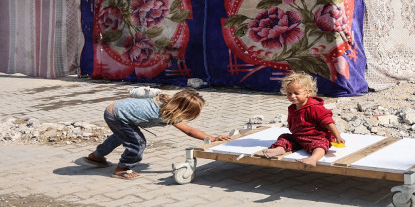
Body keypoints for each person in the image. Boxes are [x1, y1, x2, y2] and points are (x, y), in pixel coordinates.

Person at [84, 88, 230, 180]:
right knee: (138, 143)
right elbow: (189, 131)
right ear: (185, 110)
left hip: (115, 110)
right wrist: (212, 138)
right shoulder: (166, 114)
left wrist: (212, 138)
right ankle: (121, 169)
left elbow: (189, 130)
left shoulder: (166, 105)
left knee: (120, 136)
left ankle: (96, 157)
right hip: (117, 116)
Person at [254, 72, 345, 166]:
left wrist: (337, 137)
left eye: (296, 93)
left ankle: (313, 158)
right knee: (284, 137)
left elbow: (328, 122)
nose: (292, 96)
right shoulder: (293, 108)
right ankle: (279, 149)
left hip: (316, 137)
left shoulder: (315, 107)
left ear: (308, 92)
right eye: (289, 93)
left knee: (321, 145)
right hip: (299, 137)